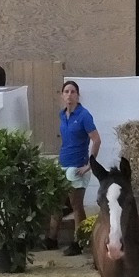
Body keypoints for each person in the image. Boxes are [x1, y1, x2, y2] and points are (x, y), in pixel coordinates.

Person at [48, 81, 101, 256]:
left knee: (76, 205)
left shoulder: (84, 115)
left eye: (72, 92)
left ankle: (80, 241)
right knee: (57, 202)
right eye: (66, 91)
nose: (69, 95)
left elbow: (96, 139)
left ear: (77, 95)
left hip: (77, 166)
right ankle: (51, 239)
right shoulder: (62, 115)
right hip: (63, 163)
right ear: (62, 95)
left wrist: (89, 165)